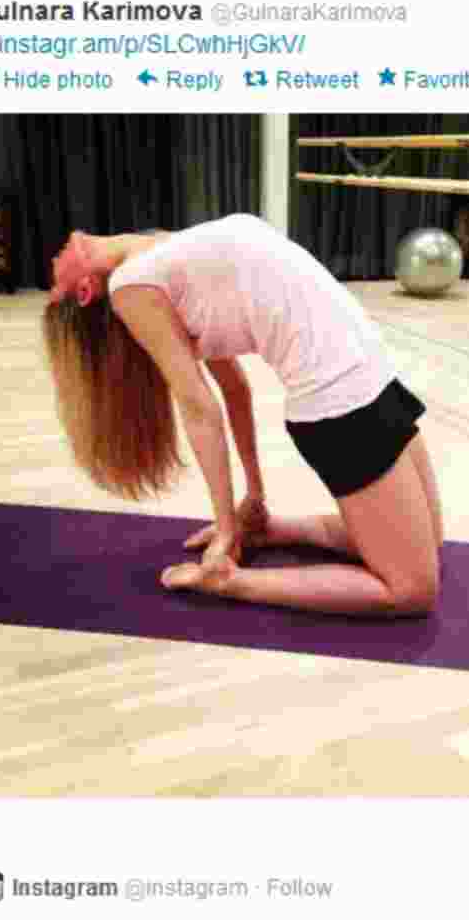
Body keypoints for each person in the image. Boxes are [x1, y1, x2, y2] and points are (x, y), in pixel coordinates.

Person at [42, 213, 443, 617]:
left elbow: (235, 390)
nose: (59, 253)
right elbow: (200, 408)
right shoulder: (131, 286)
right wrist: (224, 530)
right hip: (343, 402)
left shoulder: (164, 250)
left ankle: (273, 530)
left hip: (374, 374)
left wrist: (253, 498)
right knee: (411, 591)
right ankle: (229, 581)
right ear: (84, 290)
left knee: (431, 539)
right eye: (56, 272)